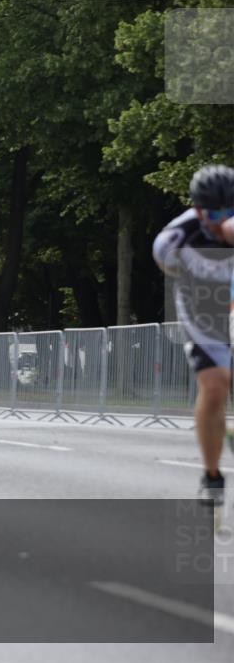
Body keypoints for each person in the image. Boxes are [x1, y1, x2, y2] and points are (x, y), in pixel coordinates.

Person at [153, 163, 234, 508]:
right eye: (213, 212)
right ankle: (212, 474)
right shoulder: (173, 239)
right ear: (198, 209)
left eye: (229, 209)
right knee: (215, 388)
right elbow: (172, 271)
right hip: (201, 307)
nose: (221, 218)